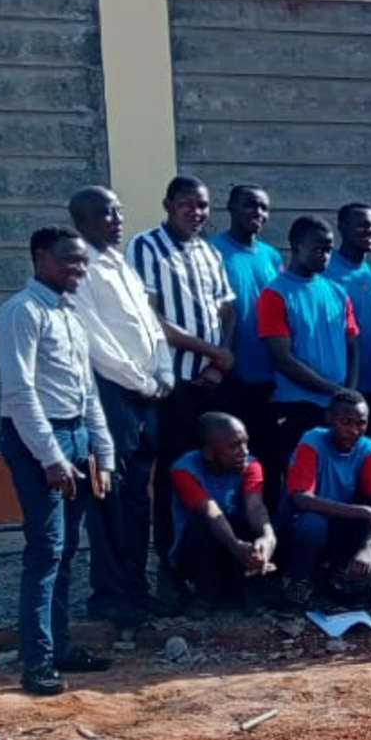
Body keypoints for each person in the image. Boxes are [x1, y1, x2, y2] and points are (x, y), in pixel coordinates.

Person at [0, 226, 116, 695]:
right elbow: (20, 393)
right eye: (70, 260)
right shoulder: (21, 312)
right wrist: (50, 457)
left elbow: (87, 391)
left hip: (76, 434)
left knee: (65, 550)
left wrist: (102, 452)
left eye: (84, 262)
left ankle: (61, 647)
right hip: (38, 439)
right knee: (45, 549)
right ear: (41, 258)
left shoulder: (70, 314)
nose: (79, 270)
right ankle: (38, 661)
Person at [69, 185, 173, 626]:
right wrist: (142, 382)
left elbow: (150, 326)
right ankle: (109, 595)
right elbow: (96, 341)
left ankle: (135, 586)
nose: (117, 220)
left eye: (118, 211)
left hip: (146, 397)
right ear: (82, 222)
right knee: (107, 495)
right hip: (110, 395)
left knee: (135, 497)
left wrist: (164, 373)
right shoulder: (81, 269)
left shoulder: (122, 265)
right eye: (105, 214)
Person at [131, 175, 236, 564]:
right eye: (187, 204)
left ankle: (210, 559)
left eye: (202, 205)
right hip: (173, 385)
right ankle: (170, 560)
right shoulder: (145, 247)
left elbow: (227, 311)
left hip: (211, 383)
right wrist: (212, 351)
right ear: (168, 205)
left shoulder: (209, 252)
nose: (196, 212)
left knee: (214, 470)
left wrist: (219, 364)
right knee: (174, 472)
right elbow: (150, 319)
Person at [256, 216, 361, 490]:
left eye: (329, 249)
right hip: (295, 406)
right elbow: (282, 358)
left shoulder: (337, 292)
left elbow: (353, 346)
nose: (325, 255)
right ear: (296, 246)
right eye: (318, 248)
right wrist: (333, 390)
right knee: (296, 484)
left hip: (336, 408)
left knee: (332, 484)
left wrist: (348, 395)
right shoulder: (274, 294)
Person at [279, 388, 371, 609]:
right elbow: (301, 499)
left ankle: (342, 576)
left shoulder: (366, 446)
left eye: (361, 423)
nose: (354, 430)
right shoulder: (312, 440)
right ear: (329, 418)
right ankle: (297, 579)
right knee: (313, 525)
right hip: (302, 521)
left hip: (339, 520)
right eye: (346, 422)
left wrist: (368, 547)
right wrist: (364, 512)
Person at [165, 411, 277, 610]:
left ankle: (247, 586)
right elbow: (211, 513)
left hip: (236, 545)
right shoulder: (183, 470)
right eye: (234, 446)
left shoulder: (251, 464)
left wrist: (267, 538)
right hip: (200, 548)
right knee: (201, 528)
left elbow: (255, 506)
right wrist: (236, 547)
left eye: (245, 443)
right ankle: (205, 594)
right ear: (208, 452)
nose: (244, 451)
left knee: (254, 525)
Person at [214, 184, 282, 480]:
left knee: (269, 457)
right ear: (230, 207)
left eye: (264, 207)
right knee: (230, 458)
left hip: (269, 374)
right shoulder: (212, 251)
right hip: (228, 373)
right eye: (250, 205)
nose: (258, 212)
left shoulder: (271, 256)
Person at [326, 202, 371, 431]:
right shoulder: (326, 271)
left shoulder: (369, 273)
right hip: (339, 385)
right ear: (342, 227)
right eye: (362, 225)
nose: (370, 231)